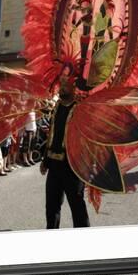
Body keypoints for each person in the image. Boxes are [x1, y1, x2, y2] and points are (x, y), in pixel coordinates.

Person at [40, 72, 90, 229]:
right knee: (52, 207)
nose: (61, 88)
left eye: (65, 85)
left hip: (73, 167)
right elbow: (53, 136)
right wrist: (45, 160)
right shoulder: (57, 107)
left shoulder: (81, 108)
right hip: (54, 166)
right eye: (60, 85)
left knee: (77, 208)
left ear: (73, 87)